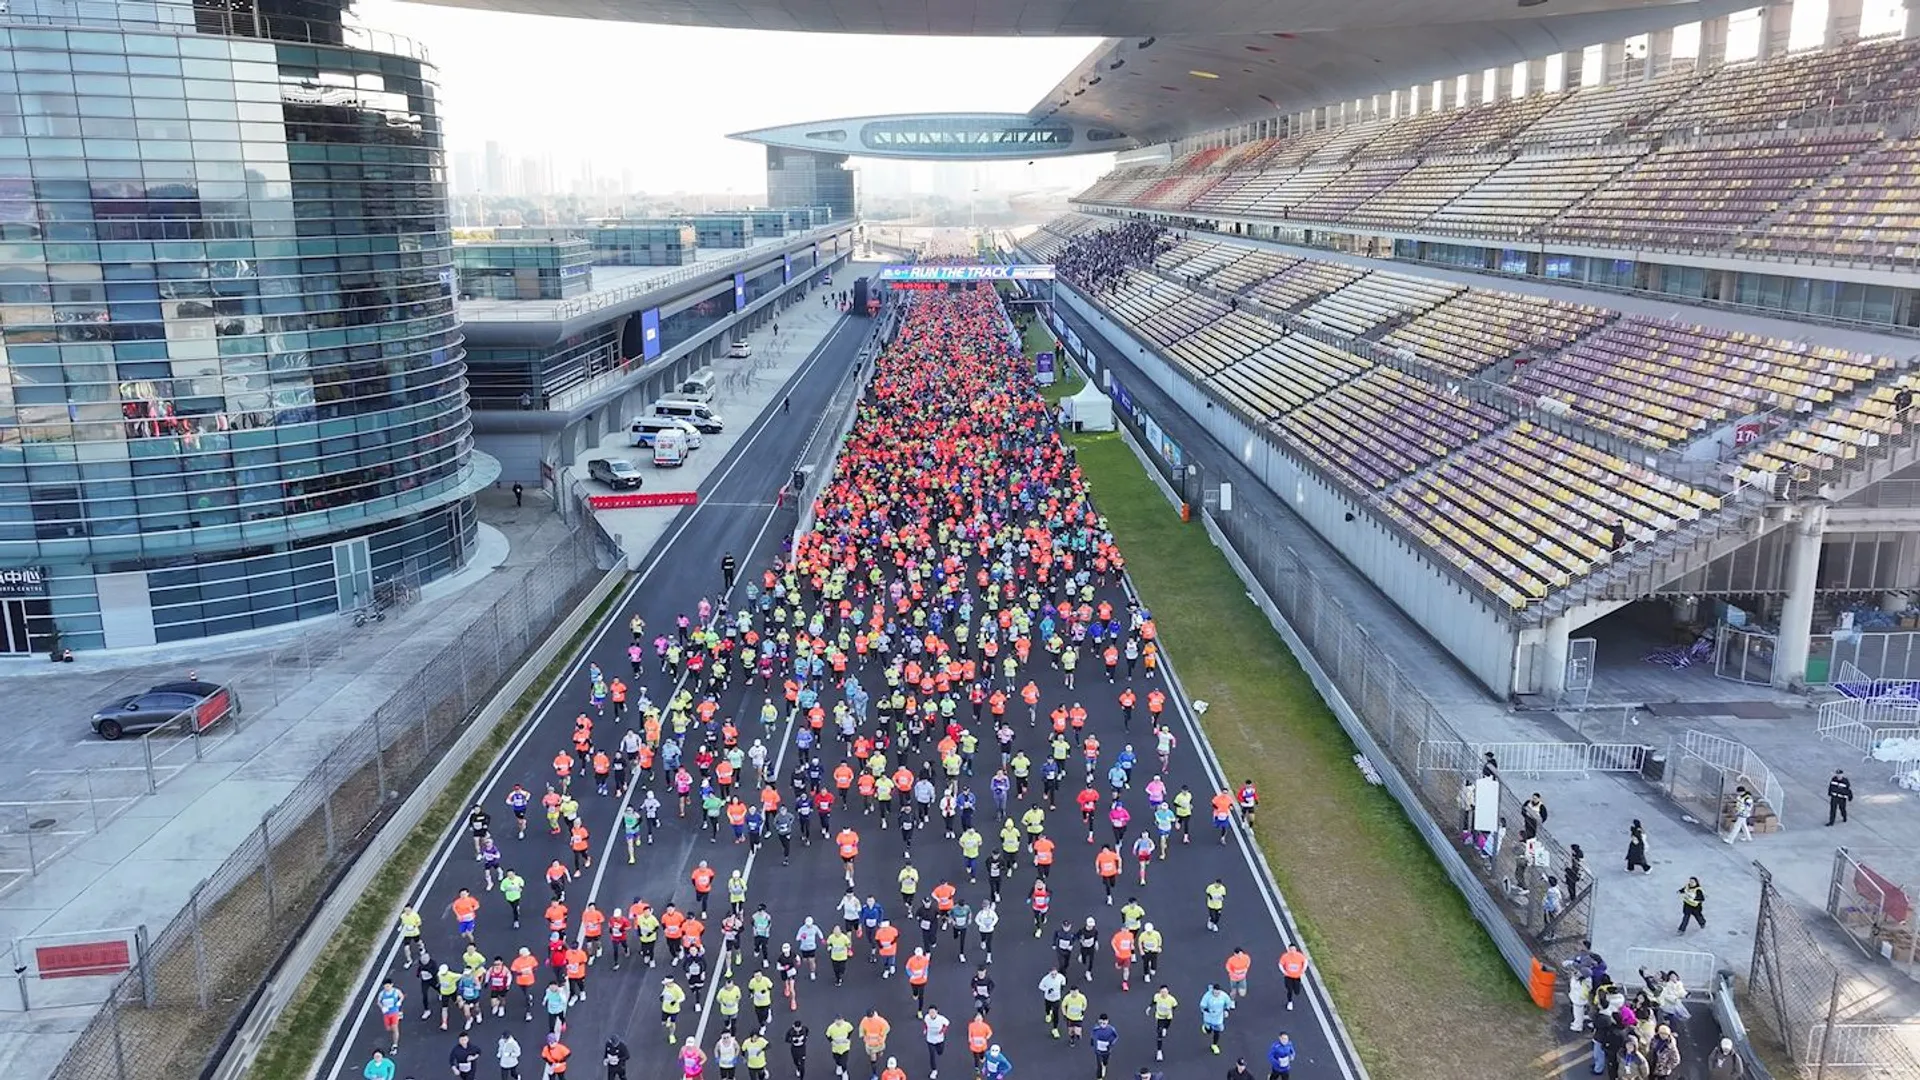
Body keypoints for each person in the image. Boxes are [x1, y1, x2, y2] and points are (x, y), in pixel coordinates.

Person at [1198, 983, 1235, 1054]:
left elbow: (1228, 1003)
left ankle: (1214, 1045)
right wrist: (1209, 1010)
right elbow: (1202, 1006)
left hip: (1218, 1019)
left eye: (1218, 993)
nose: (1216, 994)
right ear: (1212, 991)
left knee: (1217, 1031)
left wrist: (1226, 1010)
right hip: (1208, 1018)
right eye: (1215, 993)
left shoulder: (1224, 996)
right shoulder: (1207, 996)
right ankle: (1206, 1028)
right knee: (1208, 1031)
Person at [1276, 945, 1307, 1010]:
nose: (1292, 951)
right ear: (1288, 950)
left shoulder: (1300, 956)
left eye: (1293, 949)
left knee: (1297, 992)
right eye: (1291, 950)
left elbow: (1305, 961)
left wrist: (1303, 969)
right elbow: (1280, 964)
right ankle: (1290, 1002)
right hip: (1288, 976)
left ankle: (1298, 987)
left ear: (1296, 950)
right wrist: (1284, 971)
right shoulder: (1285, 956)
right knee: (1289, 989)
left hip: (1296, 976)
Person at [1089, 1014, 1119, 1079]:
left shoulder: (1111, 1029)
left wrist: (1111, 1044)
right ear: (1099, 1021)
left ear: (1107, 1022)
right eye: (1101, 1023)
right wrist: (1092, 1043)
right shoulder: (1095, 1029)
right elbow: (1092, 1036)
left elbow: (1116, 1037)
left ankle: (1104, 1065)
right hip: (1098, 1051)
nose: (1102, 1025)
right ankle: (1099, 1077)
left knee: (1105, 1062)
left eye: (1104, 1023)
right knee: (1099, 1064)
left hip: (1107, 1051)